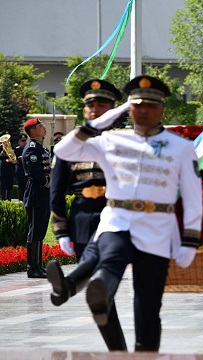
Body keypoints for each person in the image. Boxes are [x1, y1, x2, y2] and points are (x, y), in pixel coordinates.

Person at [52, 75, 203, 352]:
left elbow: (194, 198)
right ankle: (99, 290)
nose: (143, 111)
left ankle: (144, 352)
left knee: (148, 307)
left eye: (150, 105)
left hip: (157, 227)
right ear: (128, 109)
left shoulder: (181, 147)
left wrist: (190, 239)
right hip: (117, 219)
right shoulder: (111, 140)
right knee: (110, 256)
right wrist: (94, 124)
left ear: (161, 109)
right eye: (137, 105)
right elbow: (63, 150)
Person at [46, 79, 126, 350]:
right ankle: (118, 350)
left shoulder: (123, 140)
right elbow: (56, 191)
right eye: (90, 105)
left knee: (103, 283)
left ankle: (68, 285)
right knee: (100, 293)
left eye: (102, 104)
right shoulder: (70, 146)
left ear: (112, 108)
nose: (95, 109)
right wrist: (62, 231)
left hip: (114, 214)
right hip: (82, 218)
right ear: (84, 111)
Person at [22, 118, 51, 278]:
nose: (44, 128)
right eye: (40, 126)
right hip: (36, 192)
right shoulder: (32, 149)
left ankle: (38, 265)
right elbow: (35, 173)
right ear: (32, 131)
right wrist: (49, 182)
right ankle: (32, 267)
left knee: (41, 229)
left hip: (44, 192)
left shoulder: (41, 148)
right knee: (34, 230)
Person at [0, 133, 17, 200]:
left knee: (10, 186)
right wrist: (2, 152)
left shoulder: (13, 148)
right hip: (3, 169)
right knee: (2, 186)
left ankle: (9, 199)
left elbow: (15, 157)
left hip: (10, 169)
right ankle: (2, 199)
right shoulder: (0, 148)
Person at [15, 135, 27, 201]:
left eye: (25, 140)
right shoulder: (16, 150)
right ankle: (20, 199)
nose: (24, 142)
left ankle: (26, 199)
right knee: (20, 185)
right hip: (20, 169)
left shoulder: (27, 149)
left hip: (26, 169)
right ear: (19, 142)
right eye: (22, 141)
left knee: (26, 185)